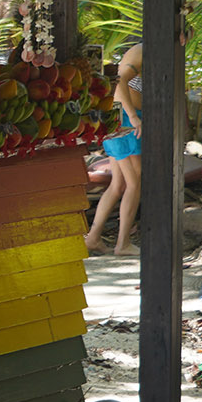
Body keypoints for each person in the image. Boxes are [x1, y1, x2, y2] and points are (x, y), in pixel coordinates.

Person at [83, 45, 144, 256]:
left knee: (119, 185)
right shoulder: (142, 52)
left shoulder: (160, 54)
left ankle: (93, 238)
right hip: (125, 119)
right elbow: (119, 84)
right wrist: (134, 117)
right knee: (135, 182)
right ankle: (123, 244)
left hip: (125, 118)